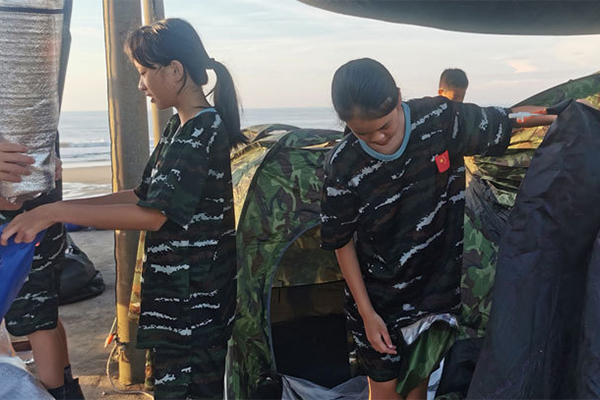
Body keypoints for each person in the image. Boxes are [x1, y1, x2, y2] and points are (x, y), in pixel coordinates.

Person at [1, 18, 246, 399]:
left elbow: (152, 215)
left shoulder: (202, 130)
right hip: (175, 302)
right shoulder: (179, 127)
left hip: (194, 305)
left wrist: (51, 213)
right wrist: (57, 207)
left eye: (145, 72)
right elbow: (140, 195)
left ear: (175, 70)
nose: (140, 85)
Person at [320, 58, 554, 400]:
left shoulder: (438, 120)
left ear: (398, 97)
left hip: (433, 295)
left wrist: (559, 114)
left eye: (384, 126)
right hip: (378, 302)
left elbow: (504, 119)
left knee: (418, 389)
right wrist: (367, 315)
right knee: (384, 393)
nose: (378, 138)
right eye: (363, 133)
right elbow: (342, 243)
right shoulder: (343, 165)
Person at [0, 141, 83, 400]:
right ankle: (66, 391)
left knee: (35, 317)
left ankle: (57, 394)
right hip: (40, 207)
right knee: (45, 311)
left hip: (20, 219)